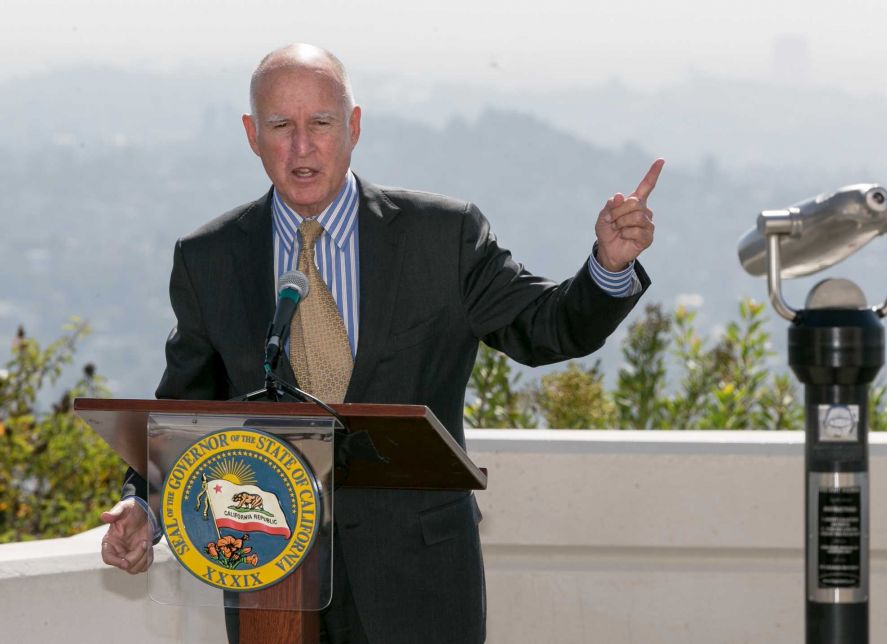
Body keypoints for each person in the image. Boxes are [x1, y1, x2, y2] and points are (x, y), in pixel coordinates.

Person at [99, 43, 663, 643]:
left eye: (321, 123)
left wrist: (607, 264)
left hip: (418, 580)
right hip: (270, 578)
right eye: (281, 126)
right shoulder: (209, 259)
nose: (302, 146)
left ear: (354, 126)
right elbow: (186, 415)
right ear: (251, 134)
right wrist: (145, 508)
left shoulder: (441, 237)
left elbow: (547, 327)